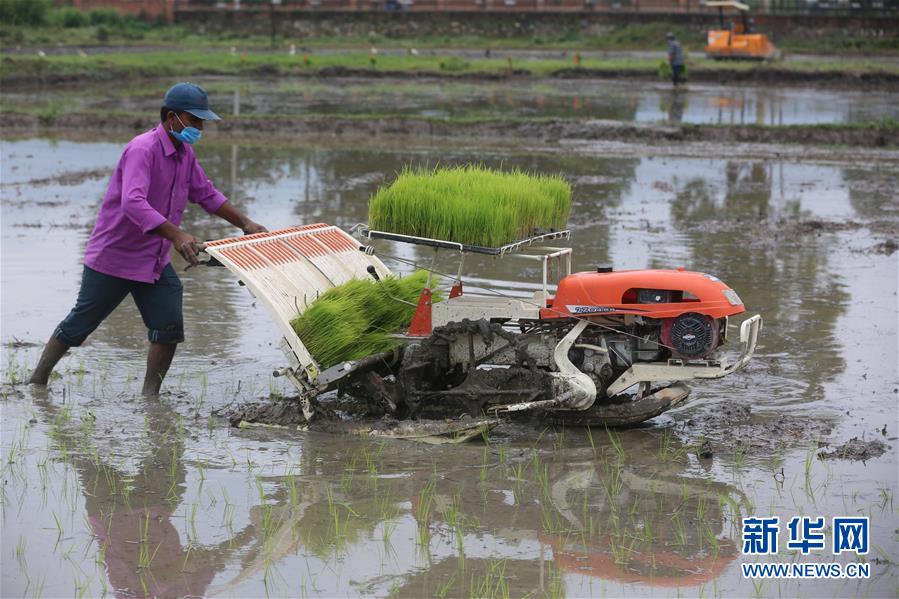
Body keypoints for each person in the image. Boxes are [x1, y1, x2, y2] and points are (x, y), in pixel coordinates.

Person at [28, 82, 267, 396]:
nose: (200, 127)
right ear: (171, 117)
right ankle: (37, 382)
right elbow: (134, 202)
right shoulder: (143, 148)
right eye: (194, 120)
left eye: (202, 121)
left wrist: (245, 223)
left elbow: (206, 194)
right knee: (80, 325)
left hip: (152, 259)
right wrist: (177, 234)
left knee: (168, 326)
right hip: (114, 257)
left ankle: (150, 397)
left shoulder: (185, 154)